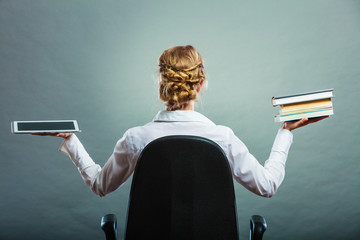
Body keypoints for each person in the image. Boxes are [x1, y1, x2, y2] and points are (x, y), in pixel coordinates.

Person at [35, 45, 327, 197]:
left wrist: (71, 140)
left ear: (161, 85)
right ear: (200, 85)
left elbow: (100, 185)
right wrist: (286, 133)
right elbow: (267, 186)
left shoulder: (136, 138)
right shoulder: (222, 137)